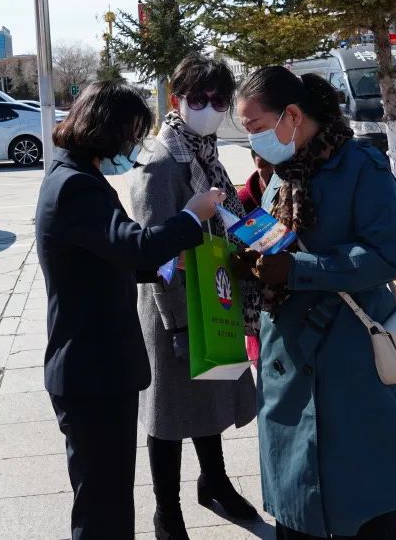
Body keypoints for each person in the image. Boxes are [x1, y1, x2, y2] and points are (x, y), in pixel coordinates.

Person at [233, 68, 396, 540]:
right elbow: (276, 233)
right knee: (296, 500)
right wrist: (255, 257)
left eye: (256, 128)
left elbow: (387, 254)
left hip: (348, 358)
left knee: (364, 499)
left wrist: (299, 269)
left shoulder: (360, 166)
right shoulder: (283, 171)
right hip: (287, 355)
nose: (254, 142)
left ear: (292, 115)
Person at [35, 80, 226, 540]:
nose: (133, 145)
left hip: (96, 371)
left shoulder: (73, 177)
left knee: (109, 498)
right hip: (92, 373)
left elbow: (109, 258)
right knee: (104, 507)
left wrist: (164, 265)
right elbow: (134, 246)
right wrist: (191, 216)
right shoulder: (76, 186)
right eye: (131, 133)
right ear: (107, 130)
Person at [128, 54, 258, 539]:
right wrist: (178, 322)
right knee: (168, 415)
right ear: (175, 98)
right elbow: (153, 248)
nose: (207, 107)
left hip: (213, 292)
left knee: (208, 398)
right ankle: (168, 511)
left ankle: (215, 481)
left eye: (217, 100)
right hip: (174, 307)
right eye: (196, 98)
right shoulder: (162, 161)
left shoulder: (203, 151)